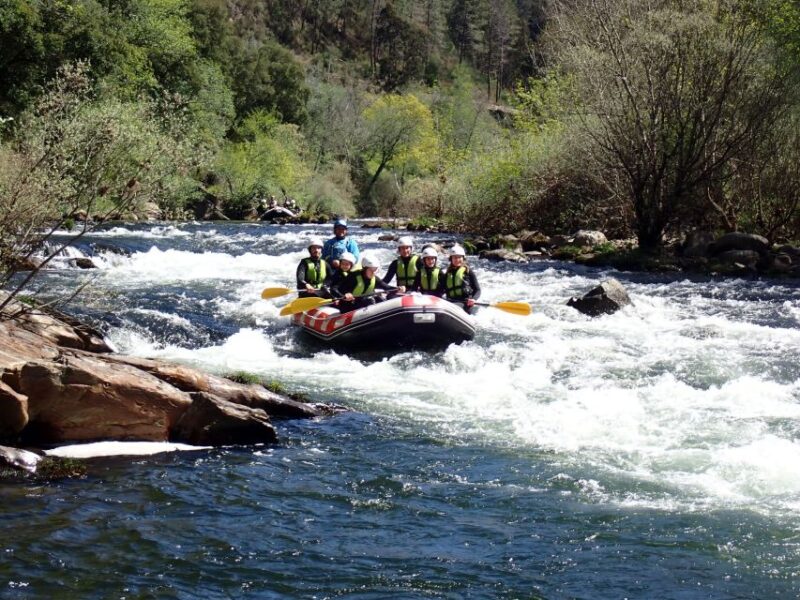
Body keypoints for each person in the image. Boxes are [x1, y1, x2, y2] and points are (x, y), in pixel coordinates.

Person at [439, 244, 481, 314]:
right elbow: (441, 290)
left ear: (463, 258)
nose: (457, 260)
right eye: (455, 257)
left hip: (465, 303)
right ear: (451, 259)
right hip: (450, 302)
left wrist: (474, 299)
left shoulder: (468, 272)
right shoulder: (448, 274)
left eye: (459, 257)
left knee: (452, 308)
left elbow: (478, 290)